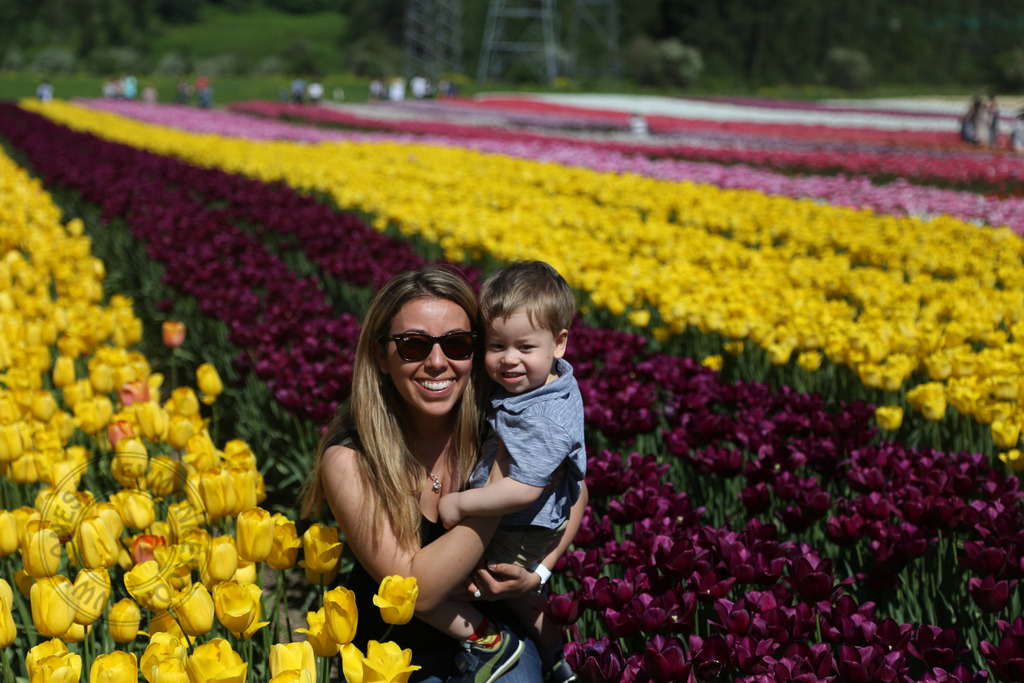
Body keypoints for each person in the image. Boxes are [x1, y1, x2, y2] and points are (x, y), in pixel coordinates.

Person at [300, 265, 586, 683]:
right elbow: (420, 591)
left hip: (494, 635)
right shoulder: (351, 459)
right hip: (389, 657)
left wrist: (537, 574)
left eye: (456, 344)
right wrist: (501, 490)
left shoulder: (499, 414)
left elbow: (574, 491)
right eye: (414, 345)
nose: (437, 362)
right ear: (381, 355)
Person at [435, 261, 585, 683]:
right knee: (523, 600)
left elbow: (523, 489)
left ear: (559, 344)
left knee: (445, 586)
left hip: (518, 526)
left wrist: (459, 501)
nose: (508, 360)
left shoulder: (543, 417)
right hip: (529, 526)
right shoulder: (550, 381)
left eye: (524, 347)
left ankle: (489, 642)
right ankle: (560, 656)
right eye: (497, 346)